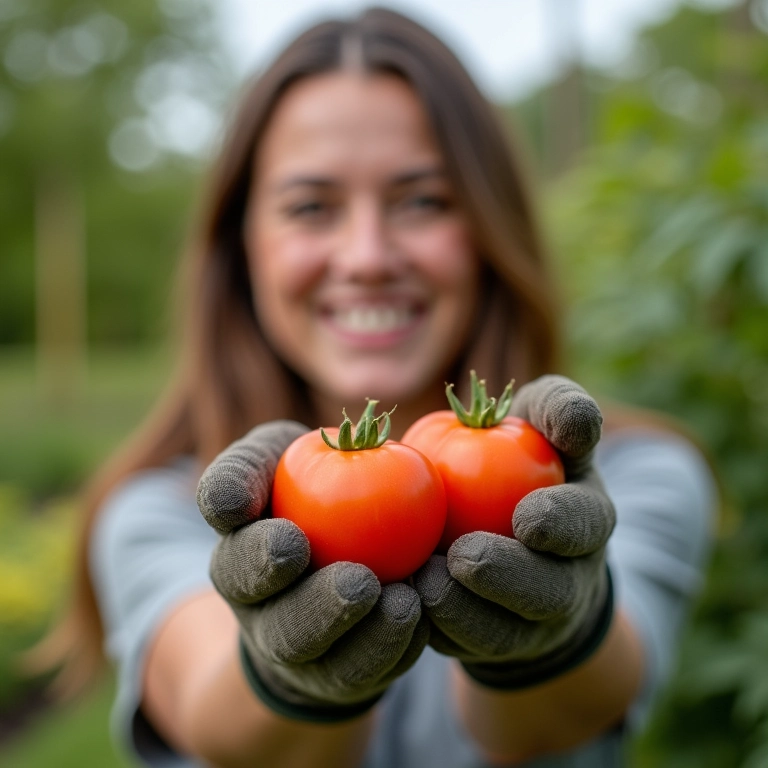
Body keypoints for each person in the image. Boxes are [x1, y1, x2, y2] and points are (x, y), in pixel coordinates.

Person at [44, 7, 716, 767]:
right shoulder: (158, 509)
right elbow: (220, 719)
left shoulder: (633, 477)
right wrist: (288, 675)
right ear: (243, 248)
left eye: (422, 201)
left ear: (491, 229)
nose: (367, 256)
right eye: (311, 207)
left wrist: (558, 634)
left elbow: (556, 720)